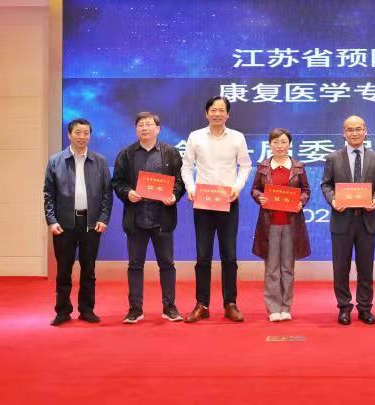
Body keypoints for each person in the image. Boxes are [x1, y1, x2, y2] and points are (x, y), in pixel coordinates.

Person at [181, 96, 253, 323]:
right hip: (203, 202)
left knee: (229, 256)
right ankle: (201, 304)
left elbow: (246, 165)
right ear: (206, 113)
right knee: (203, 256)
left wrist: (237, 187)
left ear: (228, 114)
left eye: (221, 110)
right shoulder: (195, 136)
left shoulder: (237, 137)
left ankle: (230, 303)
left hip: (228, 201)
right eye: (213, 110)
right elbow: (186, 167)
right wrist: (191, 188)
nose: (217, 114)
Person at [111, 112, 185, 324]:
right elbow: (117, 182)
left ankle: (169, 307)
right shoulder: (126, 154)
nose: (145, 128)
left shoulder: (170, 153)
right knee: (135, 265)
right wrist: (127, 193)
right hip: (136, 218)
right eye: (141, 125)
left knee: (167, 264)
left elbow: (180, 181)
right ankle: (135, 308)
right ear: (136, 129)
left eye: (149, 124)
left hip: (163, 219)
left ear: (158, 129)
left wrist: (174, 196)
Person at [43, 118, 112, 326]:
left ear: (90, 135)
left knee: (88, 269)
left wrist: (103, 218)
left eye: (86, 133)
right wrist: (51, 220)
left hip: (91, 223)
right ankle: (62, 311)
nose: (82, 137)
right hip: (64, 224)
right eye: (78, 133)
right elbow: (48, 194)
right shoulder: (56, 161)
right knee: (63, 270)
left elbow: (107, 194)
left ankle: (87, 309)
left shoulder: (100, 161)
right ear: (69, 134)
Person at [321, 115, 375, 325]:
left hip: (367, 221)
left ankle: (365, 308)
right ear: (344, 133)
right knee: (341, 268)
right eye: (350, 130)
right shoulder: (333, 158)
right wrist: (333, 201)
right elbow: (326, 185)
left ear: (365, 131)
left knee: (366, 268)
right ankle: (344, 307)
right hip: (342, 220)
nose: (355, 133)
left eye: (358, 129)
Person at [250, 128, 312, 322]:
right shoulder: (263, 167)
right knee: (271, 269)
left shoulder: (298, 167)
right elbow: (255, 189)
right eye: (275, 142)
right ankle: (273, 308)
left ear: (289, 144)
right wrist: (259, 197)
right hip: (269, 224)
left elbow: (306, 190)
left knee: (287, 268)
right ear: (270, 145)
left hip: (291, 225)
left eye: (283, 142)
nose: (279, 146)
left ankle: (286, 307)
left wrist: (301, 201)